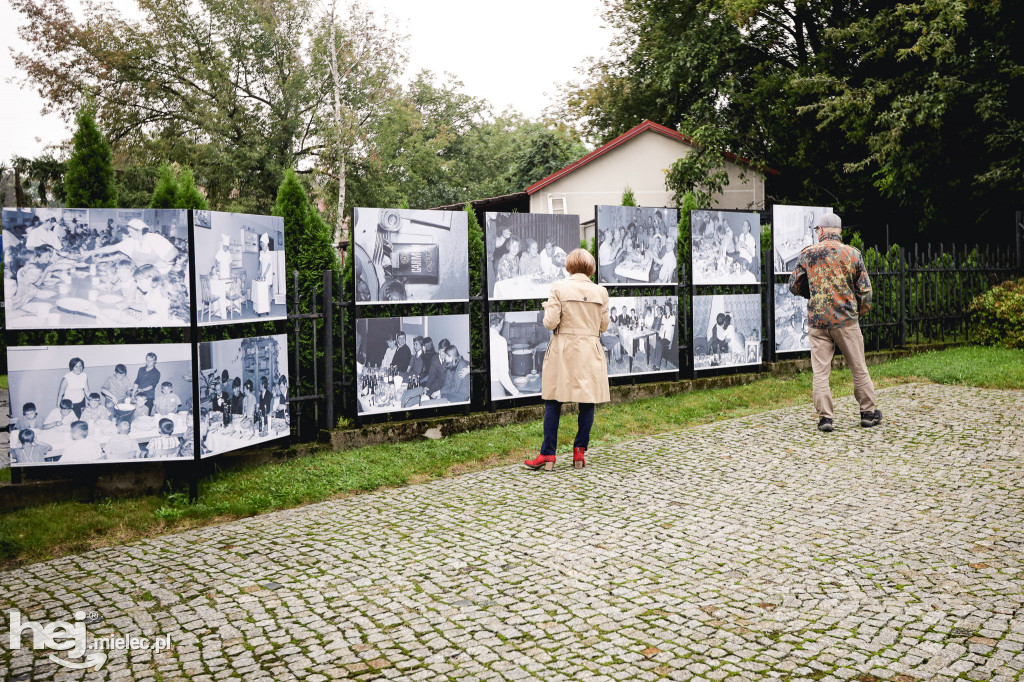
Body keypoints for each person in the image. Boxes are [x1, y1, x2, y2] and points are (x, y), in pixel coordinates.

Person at [789, 211, 879, 432]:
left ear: (820, 231)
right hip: (846, 320)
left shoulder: (807, 254)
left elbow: (794, 285)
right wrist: (859, 313)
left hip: (818, 322)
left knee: (820, 372)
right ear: (839, 231)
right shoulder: (852, 254)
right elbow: (866, 292)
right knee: (858, 367)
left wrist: (812, 294)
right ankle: (867, 413)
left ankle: (825, 418)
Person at [526, 248, 610, 471]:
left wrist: (548, 308)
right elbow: (604, 326)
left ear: (569, 266)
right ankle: (579, 452)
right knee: (587, 401)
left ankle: (548, 455)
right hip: (590, 351)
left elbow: (550, 323)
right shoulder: (601, 292)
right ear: (590, 268)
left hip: (564, 350)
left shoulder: (559, 288)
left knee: (553, 401)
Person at [488, 314, 520, 399]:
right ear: (501, 321)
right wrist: (516, 393)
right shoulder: (500, 341)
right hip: (495, 386)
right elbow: (503, 376)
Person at [254, 233, 275, 316]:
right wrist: (259, 271)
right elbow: (260, 263)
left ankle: (268, 306)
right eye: (261, 245)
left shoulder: (269, 253)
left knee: (267, 290)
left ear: (266, 244)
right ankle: (262, 306)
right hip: (263, 272)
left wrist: (265, 274)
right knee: (262, 290)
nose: (262, 247)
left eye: (263, 245)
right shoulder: (261, 253)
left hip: (268, 273)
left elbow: (269, 265)